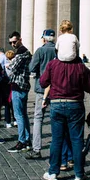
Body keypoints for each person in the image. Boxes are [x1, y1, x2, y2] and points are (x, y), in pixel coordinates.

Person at [39, 47, 90, 180]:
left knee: (57, 139)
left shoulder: (52, 64)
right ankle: (79, 173)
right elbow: (89, 87)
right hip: (75, 104)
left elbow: (43, 82)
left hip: (57, 103)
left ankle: (53, 172)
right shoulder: (80, 67)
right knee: (77, 139)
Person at [26, 29, 57, 160]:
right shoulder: (57, 50)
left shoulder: (40, 51)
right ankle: (58, 150)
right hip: (57, 89)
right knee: (57, 120)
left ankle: (36, 149)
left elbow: (31, 68)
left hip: (41, 87)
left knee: (38, 118)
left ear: (44, 39)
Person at [7, 31, 33, 153]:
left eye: (14, 41)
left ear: (20, 39)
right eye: (10, 42)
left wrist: (9, 65)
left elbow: (13, 68)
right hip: (24, 85)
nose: (12, 44)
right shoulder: (25, 52)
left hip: (18, 85)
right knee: (23, 114)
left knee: (18, 115)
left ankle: (22, 141)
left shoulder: (21, 53)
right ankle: (27, 140)